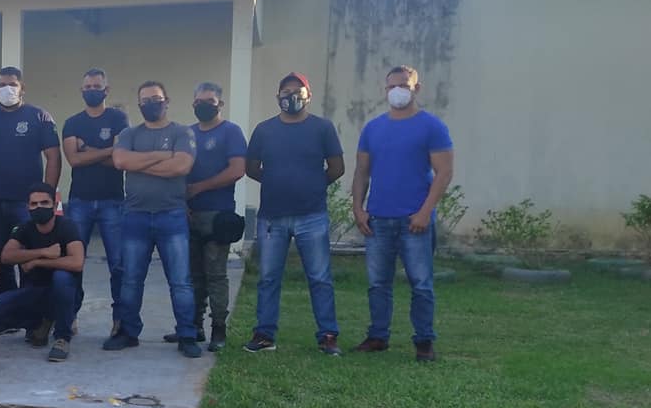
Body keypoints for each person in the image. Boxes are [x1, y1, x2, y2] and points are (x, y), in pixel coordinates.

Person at [352, 65, 455, 362]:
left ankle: (424, 342)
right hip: (378, 220)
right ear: (384, 91)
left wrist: (425, 212)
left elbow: (444, 172)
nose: (397, 90)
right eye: (391, 86)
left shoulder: (432, 127)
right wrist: (358, 208)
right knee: (377, 283)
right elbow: (361, 172)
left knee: (421, 284)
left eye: (403, 85)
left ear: (416, 88)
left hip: (415, 221)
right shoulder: (372, 128)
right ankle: (377, 336)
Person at [243, 72, 346, 356]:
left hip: (311, 215)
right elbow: (251, 168)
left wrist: (312, 184)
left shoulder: (322, 128)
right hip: (272, 217)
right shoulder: (264, 130)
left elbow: (337, 168)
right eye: (286, 91)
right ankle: (264, 334)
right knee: (268, 277)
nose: (291, 96)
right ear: (278, 97)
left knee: (320, 277)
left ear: (308, 96)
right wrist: (278, 181)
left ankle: (327, 335)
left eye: (297, 91)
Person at [104, 81, 203, 358]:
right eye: (145, 100)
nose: (151, 104)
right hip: (134, 216)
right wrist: (162, 157)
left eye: (156, 99)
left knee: (180, 281)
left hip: (171, 216)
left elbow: (182, 166)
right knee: (131, 280)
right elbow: (121, 162)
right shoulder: (128, 133)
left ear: (167, 100)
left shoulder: (182, 132)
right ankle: (128, 332)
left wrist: (142, 163)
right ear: (139, 105)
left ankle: (187, 335)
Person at [177, 81, 247, 352]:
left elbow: (237, 169)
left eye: (209, 101)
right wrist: (181, 202)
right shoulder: (188, 133)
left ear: (220, 103)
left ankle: (218, 328)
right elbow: (179, 171)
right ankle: (192, 327)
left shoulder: (231, 132)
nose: (203, 106)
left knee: (216, 275)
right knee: (192, 276)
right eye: (198, 102)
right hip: (189, 214)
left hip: (218, 215)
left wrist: (198, 188)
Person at [0, 66, 60, 294]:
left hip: (27, 203)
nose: (7, 89)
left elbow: (53, 156)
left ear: (23, 88)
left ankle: (30, 309)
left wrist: (47, 196)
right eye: (2, 85)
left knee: (30, 256)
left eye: (12, 84)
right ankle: (9, 305)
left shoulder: (39, 117)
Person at [61, 68, 128, 336]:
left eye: (96, 85)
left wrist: (88, 149)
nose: (92, 90)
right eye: (87, 86)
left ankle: (120, 320)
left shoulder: (118, 118)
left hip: (113, 202)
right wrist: (107, 151)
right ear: (81, 91)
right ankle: (70, 316)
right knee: (73, 263)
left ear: (106, 90)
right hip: (79, 202)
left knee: (119, 264)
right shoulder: (72, 122)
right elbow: (73, 160)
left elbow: (120, 159)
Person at [0, 183, 84, 362]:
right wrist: (43, 252)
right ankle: (39, 323)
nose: (39, 207)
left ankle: (62, 337)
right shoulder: (25, 228)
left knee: (61, 277)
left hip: (66, 294)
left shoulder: (67, 226)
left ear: (54, 206)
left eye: (44, 203)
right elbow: (6, 256)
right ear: (28, 207)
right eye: (34, 204)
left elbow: (77, 262)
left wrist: (37, 262)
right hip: (34, 293)